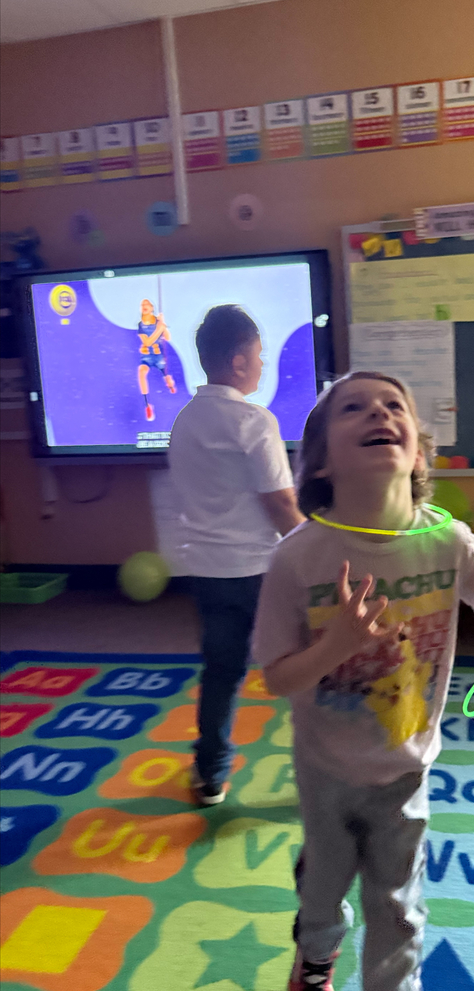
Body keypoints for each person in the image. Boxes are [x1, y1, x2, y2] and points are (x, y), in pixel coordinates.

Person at [253, 371, 474, 991]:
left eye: (393, 404)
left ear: (418, 452)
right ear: (321, 460)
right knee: (322, 897)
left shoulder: (447, 542)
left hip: (407, 769)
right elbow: (276, 678)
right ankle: (317, 956)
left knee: (398, 909)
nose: (379, 412)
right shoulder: (297, 557)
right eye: (355, 407)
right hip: (325, 769)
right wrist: (338, 644)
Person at [169, 304, 304, 806]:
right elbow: (281, 504)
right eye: (259, 355)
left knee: (222, 670)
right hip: (261, 571)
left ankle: (210, 775)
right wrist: (319, 552)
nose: (263, 364)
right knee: (301, 667)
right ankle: (327, 767)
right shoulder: (254, 421)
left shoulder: (184, 420)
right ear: (238, 361)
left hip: (205, 570)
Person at [137, 298, 176, 422]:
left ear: (152, 308)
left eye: (147, 304)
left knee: (167, 379)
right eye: (143, 304)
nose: (145, 306)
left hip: (159, 356)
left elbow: (168, 338)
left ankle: (169, 383)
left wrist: (163, 325)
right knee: (141, 372)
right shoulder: (141, 325)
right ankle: (147, 404)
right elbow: (147, 342)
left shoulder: (158, 321)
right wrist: (159, 329)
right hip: (147, 356)